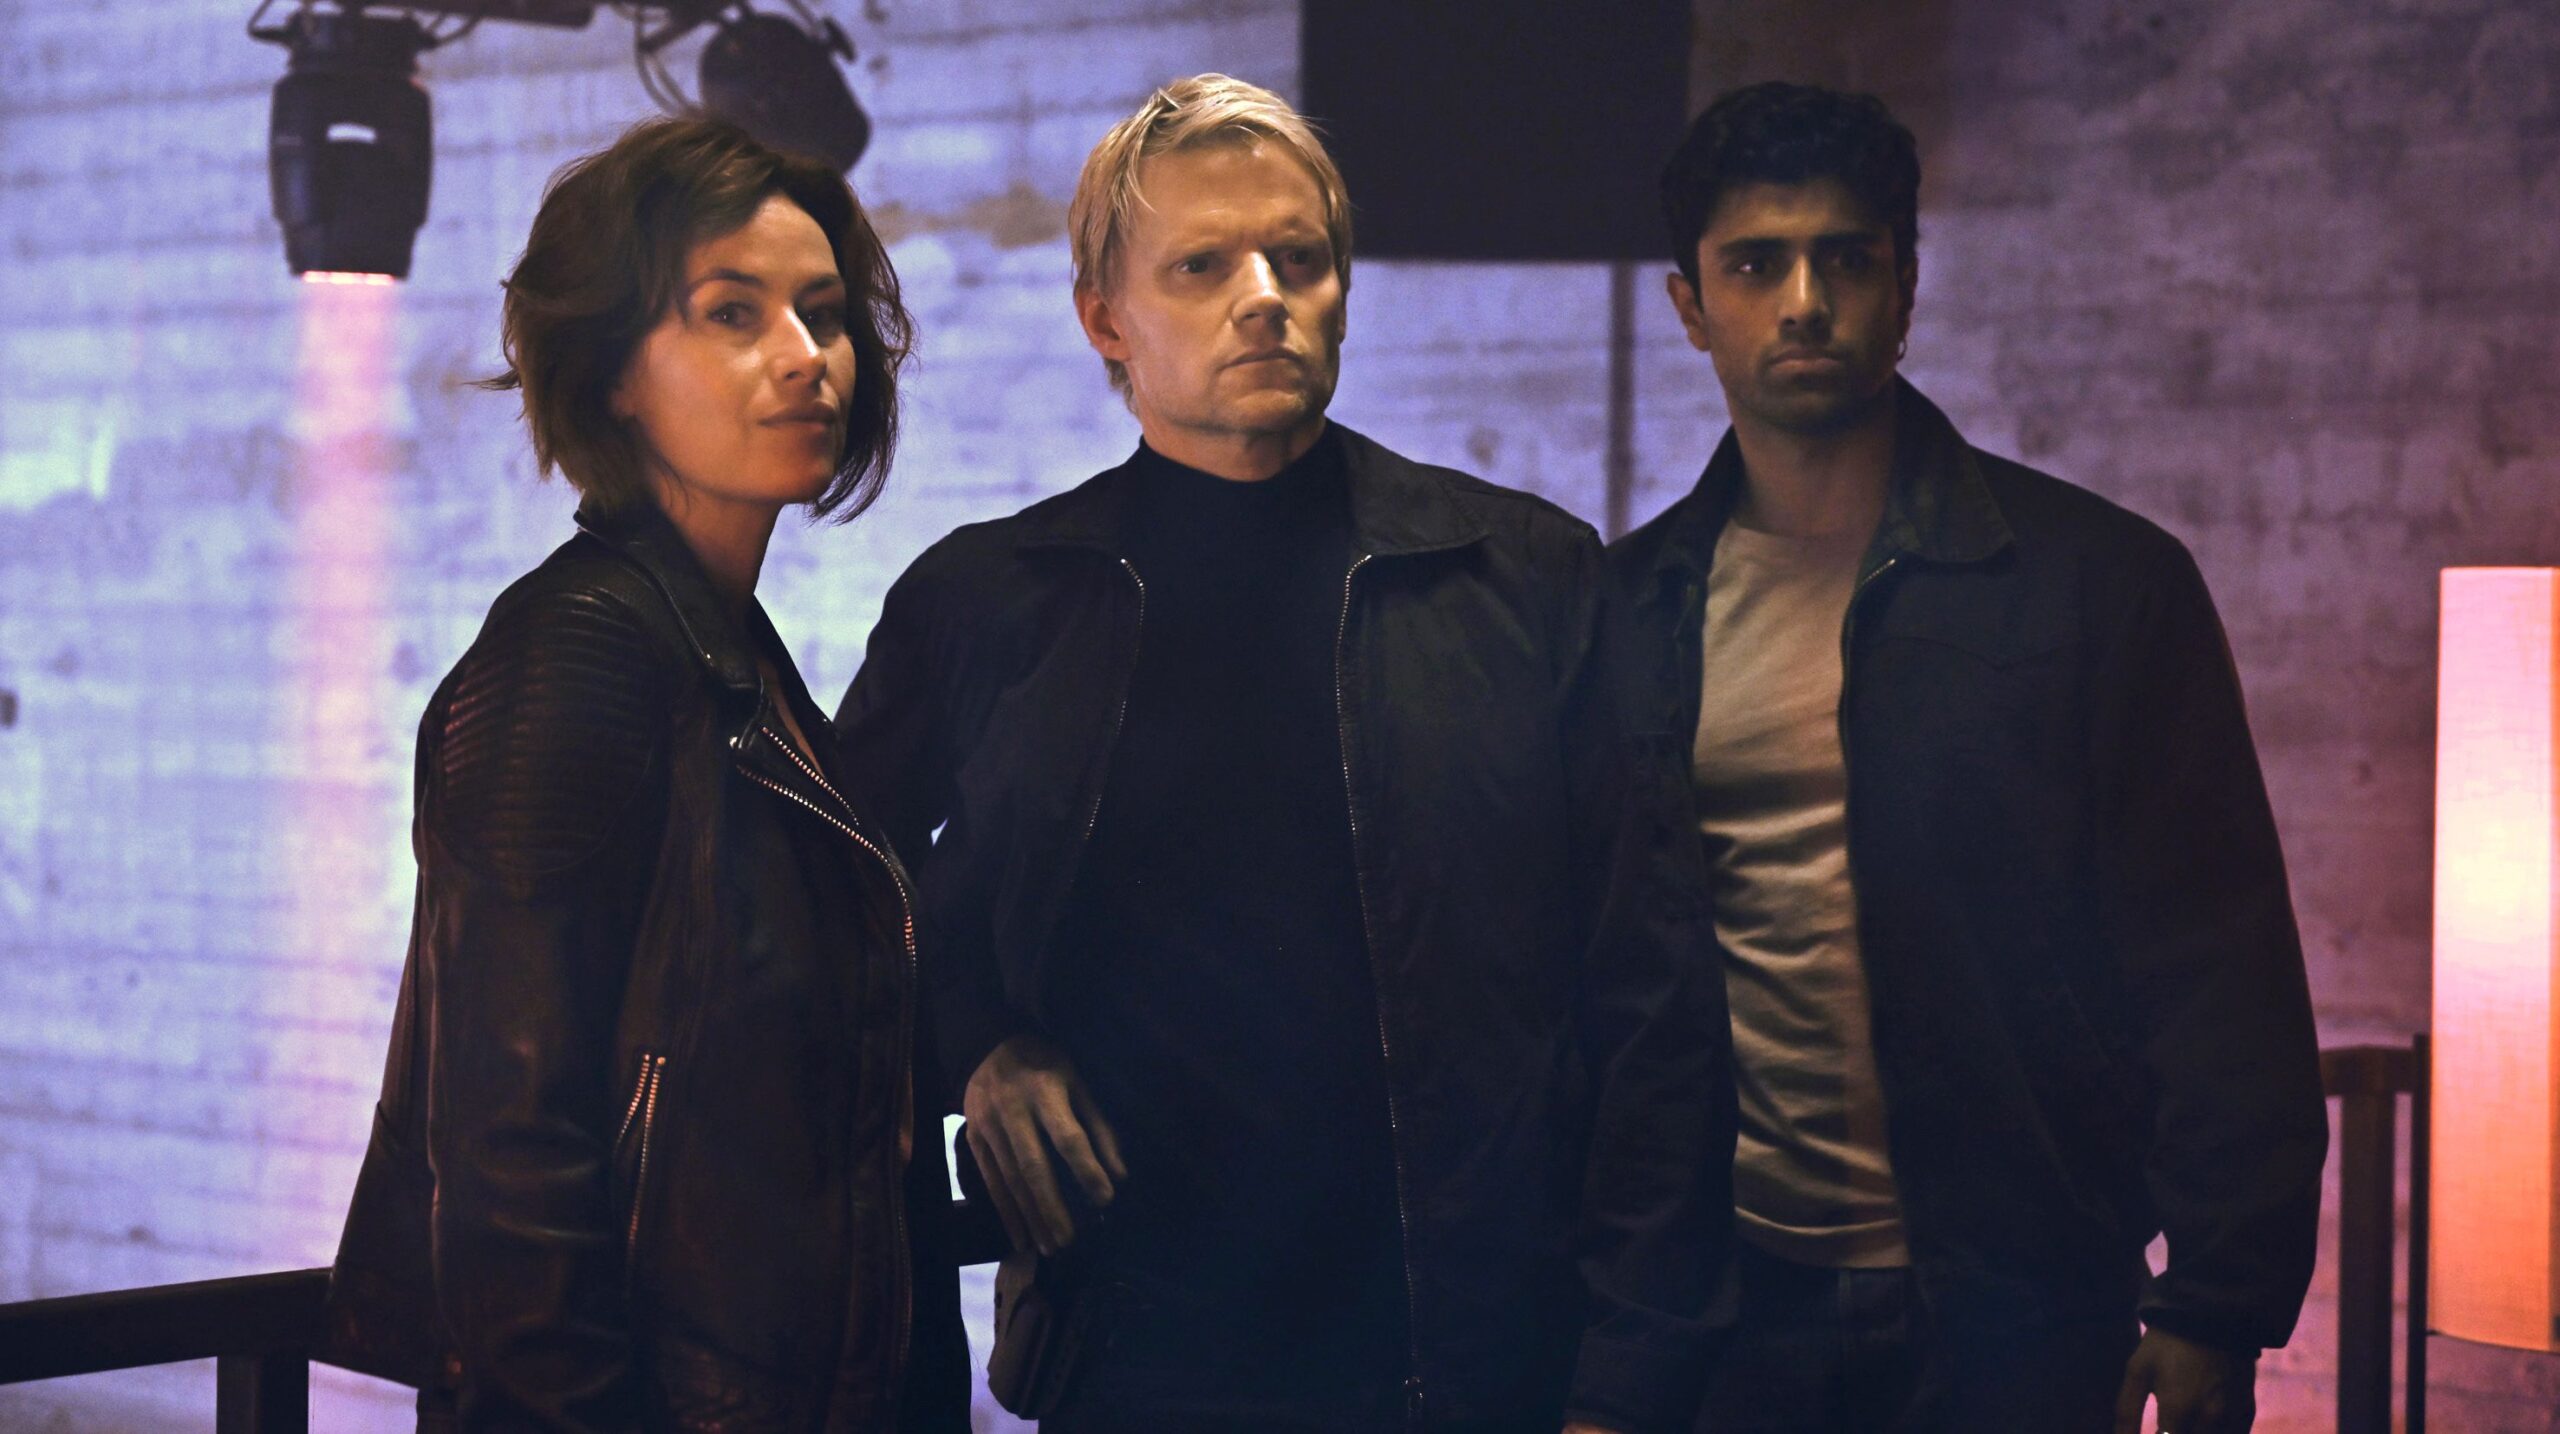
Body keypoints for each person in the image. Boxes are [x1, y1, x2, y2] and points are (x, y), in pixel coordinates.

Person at [834, 74, 1732, 1434]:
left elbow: (1655, 1003)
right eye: (1202, 266)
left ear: (1342, 290)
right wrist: (979, 1044)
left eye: (1297, 258)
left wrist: (1628, 1382)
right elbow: (840, 895)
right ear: (1105, 320)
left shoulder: (1524, 577)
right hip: (1135, 1364)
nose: (1264, 296)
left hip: (1469, 1361)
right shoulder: (991, 600)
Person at [1608, 81, 2328, 1434]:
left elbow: (2216, 962)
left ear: (1906, 288)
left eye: (1846, 258)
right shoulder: (1628, 611)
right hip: (1730, 1314)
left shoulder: (2096, 585)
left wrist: (2216, 1299)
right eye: (1757, 265)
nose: (1805, 302)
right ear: (1691, 307)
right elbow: (1603, 994)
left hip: (2020, 1310)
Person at [320, 116, 967, 1432]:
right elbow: (509, 1158)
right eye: (733, 313)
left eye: (823, 313)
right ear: (615, 369)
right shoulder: (581, 653)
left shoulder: (727, 654)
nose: (806, 356)